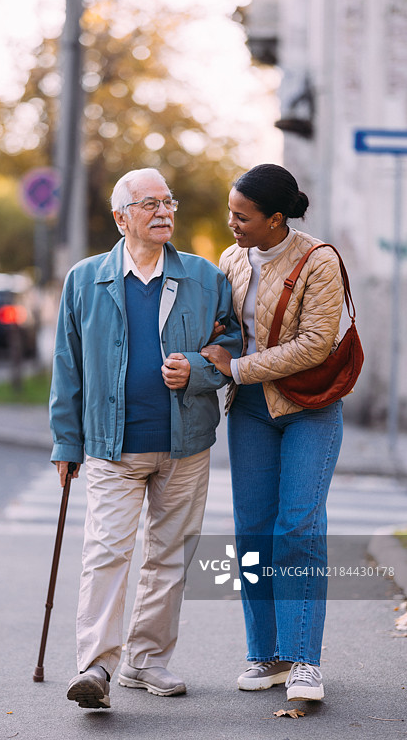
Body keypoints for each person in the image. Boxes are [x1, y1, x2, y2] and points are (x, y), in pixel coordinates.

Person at [50, 167, 242, 709]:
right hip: (113, 444)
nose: (163, 212)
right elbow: (68, 366)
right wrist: (66, 443)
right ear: (121, 217)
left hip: (185, 442)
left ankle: (146, 662)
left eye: (168, 202)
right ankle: (95, 667)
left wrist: (199, 371)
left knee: (172, 555)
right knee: (106, 551)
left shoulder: (204, 278)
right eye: (149, 203)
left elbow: (231, 342)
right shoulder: (85, 279)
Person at [201, 164, 344, 702]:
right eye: (230, 213)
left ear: (276, 219)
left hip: (309, 406)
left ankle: (305, 661)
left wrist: (236, 368)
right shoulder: (231, 258)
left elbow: (314, 344)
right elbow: (231, 329)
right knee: (254, 532)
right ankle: (266, 654)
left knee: (298, 529)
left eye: (242, 216)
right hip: (252, 410)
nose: (231, 223)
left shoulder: (318, 260)